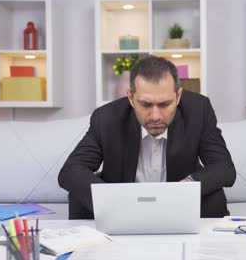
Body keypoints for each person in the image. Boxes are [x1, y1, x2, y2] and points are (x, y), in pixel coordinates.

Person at [59, 55, 236, 219]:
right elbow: (70, 171)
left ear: (178, 96)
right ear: (131, 98)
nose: (155, 116)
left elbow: (224, 168)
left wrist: (188, 184)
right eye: (145, 104)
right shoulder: (106, 118)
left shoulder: (199, 109)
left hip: (178, 205)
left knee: (215, 195)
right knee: (78, 195)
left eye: (165, 104)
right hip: (120, 209)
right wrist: (112, 198)